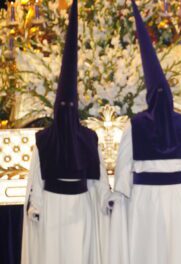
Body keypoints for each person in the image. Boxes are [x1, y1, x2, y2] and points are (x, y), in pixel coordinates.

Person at [107, 1, 181, 263]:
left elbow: (123, 177)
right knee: (177, 251)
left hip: (144, 204)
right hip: (180, 202)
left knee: (148, 252)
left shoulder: (134, 126)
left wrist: (118, 199)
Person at [21, 1, 111, 263]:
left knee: (80, 254)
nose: (67, 110)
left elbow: (100, 175)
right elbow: (36, 176)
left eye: (70, 107)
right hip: (51, 207)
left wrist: (106, 197)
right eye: (64, 107)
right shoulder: (45, 140)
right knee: (53, 254)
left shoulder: (88, 138)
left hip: (81, 206)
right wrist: (35, 204)